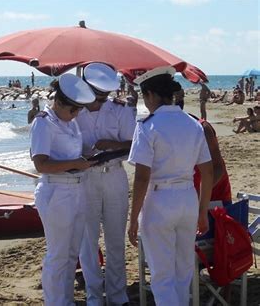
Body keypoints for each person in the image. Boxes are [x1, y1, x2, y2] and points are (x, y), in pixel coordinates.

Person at [127, 66, 213, 305]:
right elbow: (207, 171)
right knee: (183, 269)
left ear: (151, 95)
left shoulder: (147, 126)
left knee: (162, 274)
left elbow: (142, 177)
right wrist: (202, 210)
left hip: (160, 200)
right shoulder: (192, 124)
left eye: (145, 96)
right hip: (188, 198)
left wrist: (133, 218)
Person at [30, 73, 97, 306]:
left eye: (78, 110)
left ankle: (65, 300)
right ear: (58, 102)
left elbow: (70, 153)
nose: (76, 115)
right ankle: (55, 302)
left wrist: (85, 157)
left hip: (76, 189)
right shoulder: (43, 122)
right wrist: (75, 163)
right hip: (56, 192)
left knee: (71, 254)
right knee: (57, 254)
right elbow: (41, 164)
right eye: (73, 110)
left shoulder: (70, 121)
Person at [77, 62, 136, 306]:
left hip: (114, 175)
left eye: (104, 96)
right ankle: (93, 297)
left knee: (115, 240)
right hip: (85, 178)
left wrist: (110, 145)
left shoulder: (120, 111)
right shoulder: (74, 112)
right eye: (97, 96)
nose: (101, 101)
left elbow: (134, 144)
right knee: (87, 241)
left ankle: (117, 295)